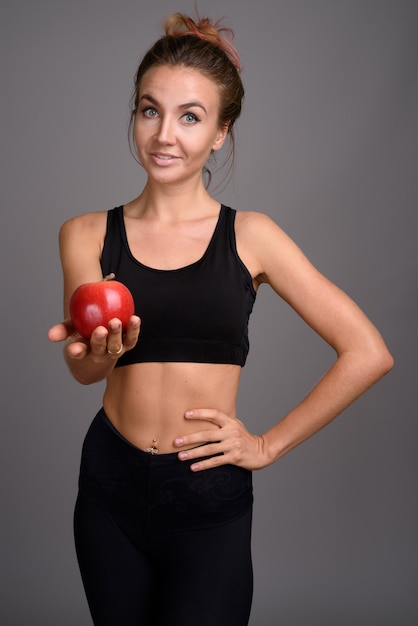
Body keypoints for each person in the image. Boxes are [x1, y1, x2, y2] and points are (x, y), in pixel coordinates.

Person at [48, 12, 394, 626]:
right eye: (149, 110)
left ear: (220, 133)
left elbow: (368, 351)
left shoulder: (251, 236)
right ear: (134, 115)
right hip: (109, 486)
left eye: (190, 116)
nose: (164, 134)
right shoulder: (84, 234)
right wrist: (97, 355)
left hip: (207, 493)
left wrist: (266, 444)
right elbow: (85, 374)